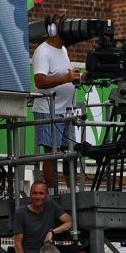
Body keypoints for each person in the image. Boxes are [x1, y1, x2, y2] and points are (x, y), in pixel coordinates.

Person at [32, 23, 81, 192]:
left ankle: (72, 192)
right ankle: (52, 193)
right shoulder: (42, 51)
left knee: (70, 152)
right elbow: (39, 81)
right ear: (53, 30)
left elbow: (65, 77)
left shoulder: (63, 50)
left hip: (67, 110)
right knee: (51, 154)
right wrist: (66, 78)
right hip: (48, 109)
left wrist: (76, 78)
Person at [16, 184, 73, 253]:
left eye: (41, 193)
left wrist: (52, 232)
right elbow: (17, 243)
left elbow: (69, 221)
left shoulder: (51, 206)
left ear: (47, 195)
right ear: (30, 194)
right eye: (34, 193)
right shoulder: (20, 213)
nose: (37, 196)